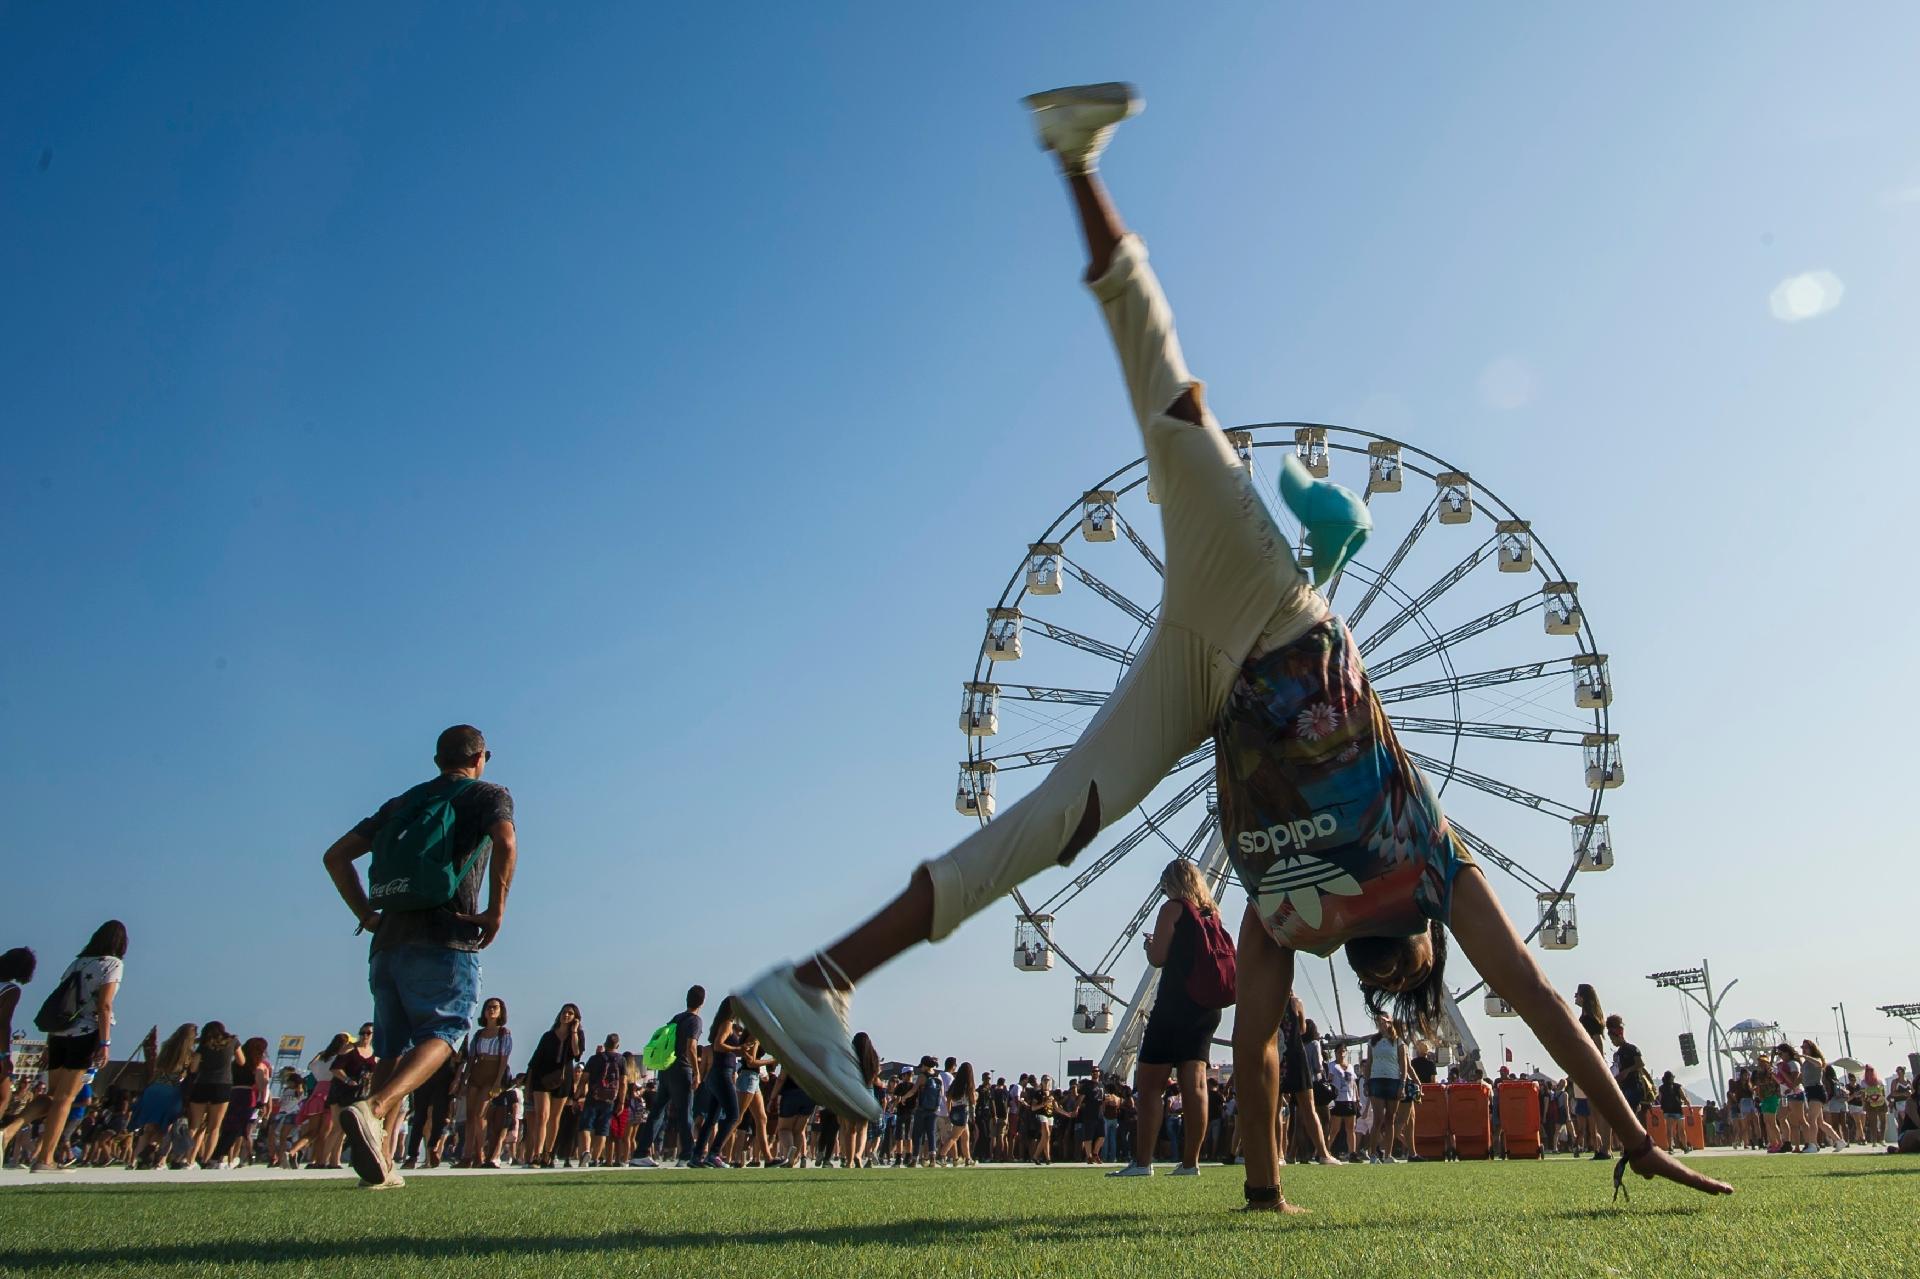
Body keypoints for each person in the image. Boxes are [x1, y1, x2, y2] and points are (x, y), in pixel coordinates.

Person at [733, 81, 1731, 1214]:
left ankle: (1076, 163)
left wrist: (1627, 1129)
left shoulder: (1418, 861)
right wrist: (1270, 1189)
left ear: (1418, 944)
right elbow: (1270, 1048)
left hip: (1244, 621)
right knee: (1047, 825)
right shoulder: (1291, 912)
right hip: (1229, 645)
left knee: (1168, 397)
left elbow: (1530, 999)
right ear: (1378, 961)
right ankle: (818, 977)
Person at [321, 724, 516, 1189]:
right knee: (447, 1029)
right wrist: (496, 911)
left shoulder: (401, 804)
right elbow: (506, 842)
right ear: (481, 756)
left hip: (388, 941)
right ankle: (375, 1108)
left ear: (436, 762)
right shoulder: (489, 794)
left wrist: (367, 914)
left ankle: (382, 1160)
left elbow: (335, 857)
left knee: (391, 1046)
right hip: (447, 935)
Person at [1111, 859, 1225, 1178]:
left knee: (1150, 1085)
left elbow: (1159, 957)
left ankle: (1143, 1162)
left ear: (1172, 884)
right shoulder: (1211, 913)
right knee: (1196, 1084)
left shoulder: (1173, 909)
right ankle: (1190, 1163)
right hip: (1207, 1008)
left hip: (1176, 1003)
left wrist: (1150, 946)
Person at [31, 921, 126, 1173]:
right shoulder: (113, 964)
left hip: (59, 1033)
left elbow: (61, 1000)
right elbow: (104, 1006)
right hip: (85, 1034)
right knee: (65, 1099)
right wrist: (105, 1043)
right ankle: (45, 1159)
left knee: (52, 1096)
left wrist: (49, 1044)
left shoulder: (77, 963)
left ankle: (9, 1131)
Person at [636, 986, 704, 1167]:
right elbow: (691, 1047)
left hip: (666, 1068)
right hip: (683, 1069)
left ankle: (640, 1153)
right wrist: (697, 1072)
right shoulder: (695, 1021)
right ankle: (686, 1156)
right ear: (702, 1003)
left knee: (658, 1111)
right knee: (685, 1113)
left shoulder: (676, 1018)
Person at [523, 1004, 583, 1168]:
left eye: (571, 1013)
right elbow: (535, 1061)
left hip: (563, 1079)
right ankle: (537, 1154)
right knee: (542, 1116)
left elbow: (577, 1053)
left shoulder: (576, 1035)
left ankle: (548, 1154)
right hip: (543, 1078)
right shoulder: (548, 1036)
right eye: (564, 1012)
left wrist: (574, 1031)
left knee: (555, 1118)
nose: (567, 1015)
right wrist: (528, 1085)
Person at [457, 997, 512, 1167]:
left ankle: (481, 1154)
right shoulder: (479, 1034)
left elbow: (504, 1060)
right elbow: (471, 1058)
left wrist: (497, 1082)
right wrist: (464, 1080)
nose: (491, 1010)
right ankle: (467, 1155)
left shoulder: (504, 1033)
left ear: (501, 1011)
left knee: (481, 1114)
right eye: (488, 1007)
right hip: (477, 1072)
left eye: (495, 1007)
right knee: (470, 1115)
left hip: (492, 1073)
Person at [185, 1021, 245, 1167]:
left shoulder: (204, 1045)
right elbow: (241, 1061)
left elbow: (193, 1069)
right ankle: (207, 1161)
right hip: (222, 1085)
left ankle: (186, 1159)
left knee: (194, 1125)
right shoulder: (233, 1041)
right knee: (214, 1127)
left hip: (202, 1084)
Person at [581, 1033, 627, 1167]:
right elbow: (623, 1082)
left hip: (593, 1096)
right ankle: (595, 1159)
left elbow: (584, 1078)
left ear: (605, 1044)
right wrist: (621, 1102)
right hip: (610, 1100)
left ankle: (586, 1151)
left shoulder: (594, 1059)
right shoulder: (621, 1060)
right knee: (603, 1129)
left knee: (586, 1126)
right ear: (617, 1045)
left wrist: (578, 1094)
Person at [1656, 1071, 1690, 1154]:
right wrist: (1688, 1105)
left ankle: (1670, 1147)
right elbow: (1683, 1097)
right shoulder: (1677, 1086)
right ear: (1672, 1078)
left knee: (1669, 1130)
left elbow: (1660, 1099)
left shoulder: (1661, 1088)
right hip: (1677, 1110)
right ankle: (1685, 1147)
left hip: (1667, 1111)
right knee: (1681, 1130)